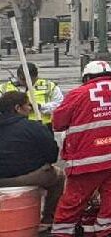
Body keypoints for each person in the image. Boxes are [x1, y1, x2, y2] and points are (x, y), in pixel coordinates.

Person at [49, 61, 111, 237]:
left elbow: (58, 123)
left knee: (75, 196)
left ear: (87, 77)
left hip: (88, 157)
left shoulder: (77, 94)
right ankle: (105, 230)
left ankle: (62, 233)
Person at [0, 90, 65, 229]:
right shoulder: (33, 127)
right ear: (18, 108)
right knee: (58, 176)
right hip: (24, 176)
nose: (30, 108)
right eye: (27, 105)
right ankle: (49, 218)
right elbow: (52, 155)